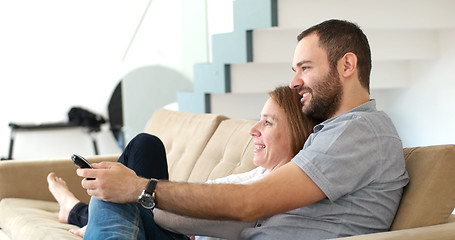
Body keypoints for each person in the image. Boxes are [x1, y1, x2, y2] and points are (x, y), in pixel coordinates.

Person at [77, 19, 409, 239]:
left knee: (117, 187)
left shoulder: (360, 131)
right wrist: (136, 192)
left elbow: (250, 202)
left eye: (305, 68)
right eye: (295, 70)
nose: (294, 82)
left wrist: (141, 189)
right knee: (115, 182)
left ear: (347, 65)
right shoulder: (330, 133)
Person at [47, 86, 317, 239]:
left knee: (112, 193)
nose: (253, 129)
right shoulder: (260, 171)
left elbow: (230, 219)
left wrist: (135, 192)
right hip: (183, 231)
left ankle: (77, 210)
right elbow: (208, 191)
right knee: (144, 145)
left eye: (267, 122)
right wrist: (141, 194)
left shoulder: (283, 186)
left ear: (295, 131)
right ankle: (78, 211)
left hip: (184, 234)